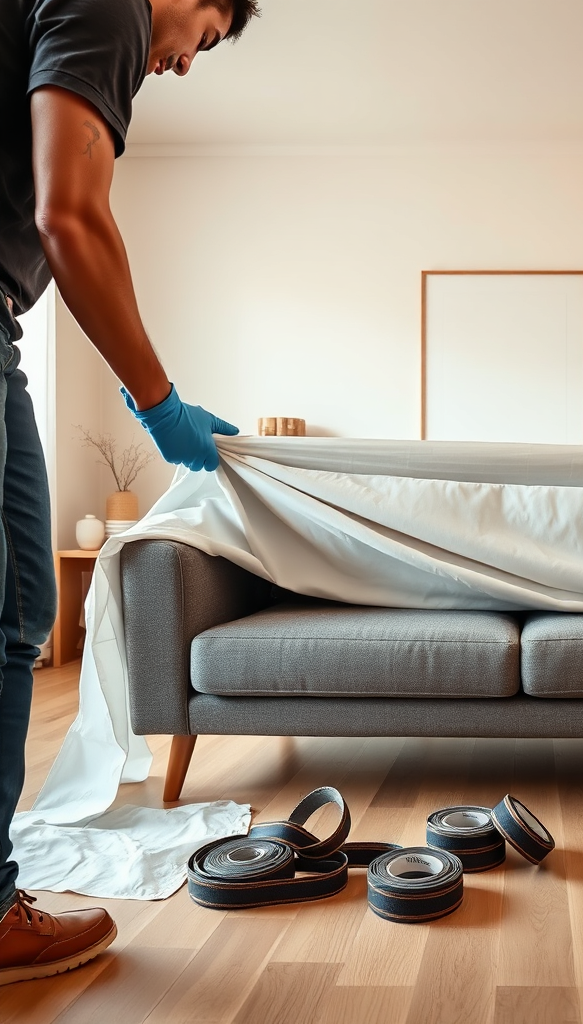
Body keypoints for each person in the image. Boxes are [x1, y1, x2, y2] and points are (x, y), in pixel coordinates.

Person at [0, 0, 259, 987]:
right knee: (17, 610)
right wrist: (158, 404)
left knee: (18, 608)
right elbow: (71, 214)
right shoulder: (106, 1)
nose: (190, 64)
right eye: (209, 34)